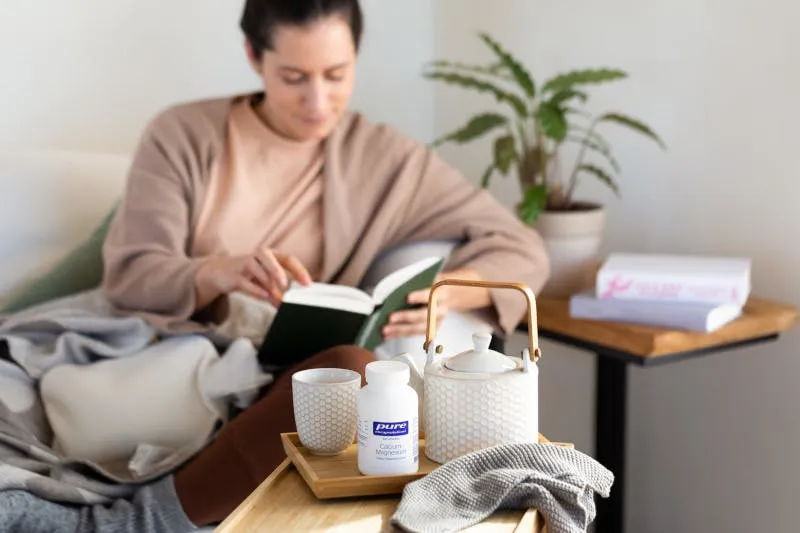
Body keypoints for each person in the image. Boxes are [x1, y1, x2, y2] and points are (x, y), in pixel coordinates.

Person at [96, 0, 550, 528]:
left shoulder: (385, 158)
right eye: (293, 77)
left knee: (355, 374)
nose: (318, 101)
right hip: (184, 350)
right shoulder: (182, 134)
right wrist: (214, 272)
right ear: (253, 57)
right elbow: (130, 277)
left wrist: (454, 291)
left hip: (289, 371)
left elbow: (522, 246)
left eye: (336, 75)